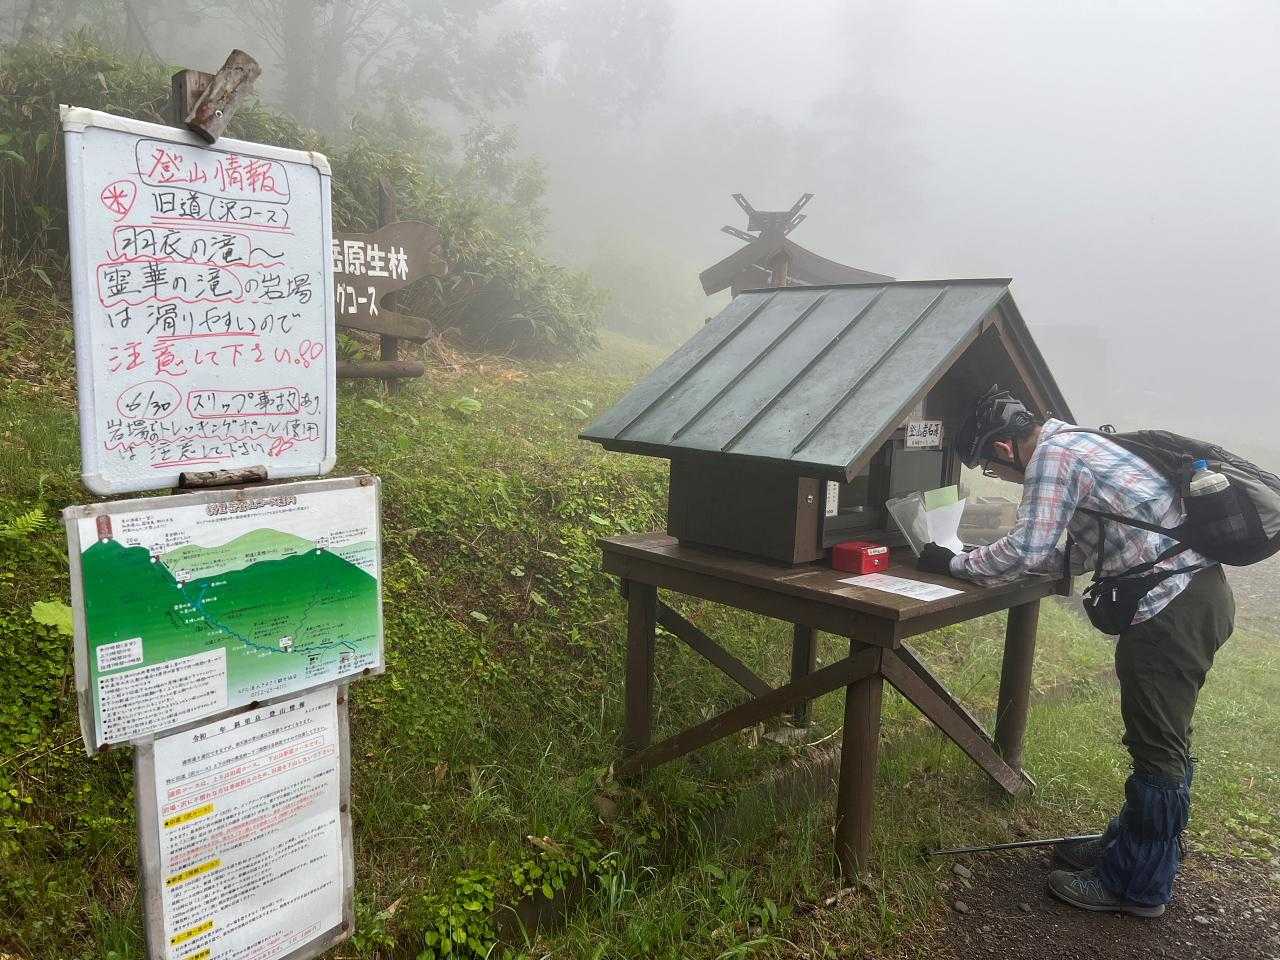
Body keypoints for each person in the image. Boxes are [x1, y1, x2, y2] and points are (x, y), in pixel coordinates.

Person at [916, 385, 1235, 917]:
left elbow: (1028, 548)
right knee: (1162, 737)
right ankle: (1127, 847)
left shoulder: (1052, 457)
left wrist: (953, 563)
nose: (1000, 478)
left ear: (1004, 448)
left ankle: (1137, 886)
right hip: (1196, 596)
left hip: (1171, 611)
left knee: (1158, 747)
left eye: (993, 470)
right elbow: (1081, 549)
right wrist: (991, 556)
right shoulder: (1080, 441)